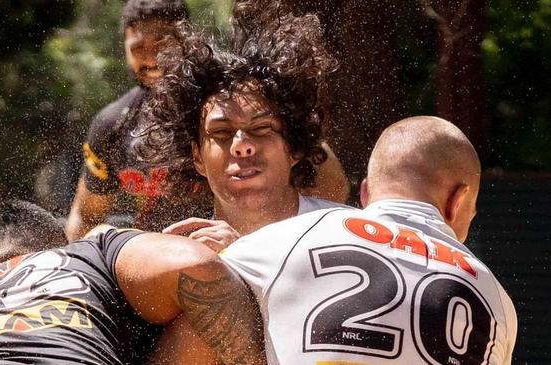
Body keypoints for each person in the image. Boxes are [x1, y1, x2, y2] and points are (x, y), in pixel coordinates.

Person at [212, 116, 517, 364]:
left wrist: (223, 249)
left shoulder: (285, 240)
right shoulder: (496, 299)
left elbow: (192, 269)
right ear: (458, 201)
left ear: (365, 193)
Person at [0, 200, 265, 365]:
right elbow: (198, 268)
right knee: (202, 313)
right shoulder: (81, 257)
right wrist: (236, 257)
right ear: (60, 245)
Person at [135, 6, 348, 247]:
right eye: (221, 133)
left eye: (261, 128)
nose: (241, 146)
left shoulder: (345, 233)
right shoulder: (181, 256)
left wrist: (241, 254)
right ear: (197, 158)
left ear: (295, 147)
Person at [65, 0, 216, 240]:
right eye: (138, 47)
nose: (151, 59)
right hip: (149, 261)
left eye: (162, 44)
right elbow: (86, 217)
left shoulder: (219, 110)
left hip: (225, 254)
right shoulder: (112, 124)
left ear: (186, 40)